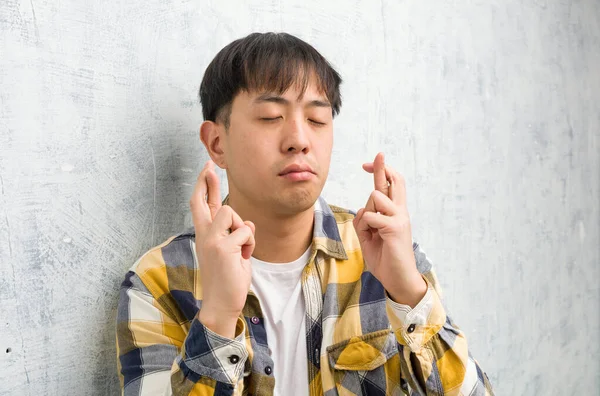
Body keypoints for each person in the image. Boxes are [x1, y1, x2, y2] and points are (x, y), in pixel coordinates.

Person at [116, 32, 494, 396]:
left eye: (317, 120)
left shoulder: (386, 253)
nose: (299, 139)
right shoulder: (158, 280)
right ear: (217, 143)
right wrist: (216, 316)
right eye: (270, 117)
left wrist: (410, 293)